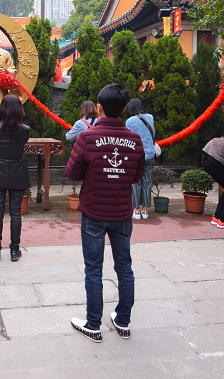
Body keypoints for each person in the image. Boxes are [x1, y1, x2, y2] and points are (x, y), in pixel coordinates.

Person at [66, 84, 145, 343]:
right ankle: (123, 321)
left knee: (93, 270)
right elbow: (136, 176)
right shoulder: (134, 140)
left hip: (94, 212)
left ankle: (93, 325)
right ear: (123, 109)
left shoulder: (87, 137)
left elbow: (72, 172)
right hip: (122, 212)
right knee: (125, 267)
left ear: (99, 107)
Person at [0, 95, 31, 263]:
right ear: (19, 110)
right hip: (18, 172)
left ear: (2, 109)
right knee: (15, 212)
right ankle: (14, 250)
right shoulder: (25, 130)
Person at [124, 98, 156, 219]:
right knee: (147, 182)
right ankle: (145, 210)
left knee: (136, 182)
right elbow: (153, 134)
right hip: (150, 154)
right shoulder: (150, 117)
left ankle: (136, 210)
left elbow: (128, 140)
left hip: (136, 156)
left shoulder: (130, 121)